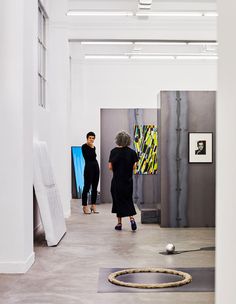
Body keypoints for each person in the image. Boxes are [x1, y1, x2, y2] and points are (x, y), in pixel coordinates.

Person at [108, 131, 138, 231]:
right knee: (128, 200)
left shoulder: (113, 151)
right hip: (128, 181)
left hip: (117, 181)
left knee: (118, 201)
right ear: (128, 140)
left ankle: (119, 224)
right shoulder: (132, 152)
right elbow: (134, 167)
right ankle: (132, 219)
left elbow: (110, 167)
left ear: (118, 140)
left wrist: (117, 170)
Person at [81, 131, 100, 214]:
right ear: (87, 138)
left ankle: (93, 205)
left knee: (95, 188)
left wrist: (92, 147)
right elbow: (89, 156)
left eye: (93, 138)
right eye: (90, 138)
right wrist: (91, 146)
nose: (91, 139)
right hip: (88, 168)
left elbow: (94, 158)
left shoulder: (94, 147)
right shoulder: (84, 146)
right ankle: (85, 206)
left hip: (96, 167)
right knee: (86, 187)